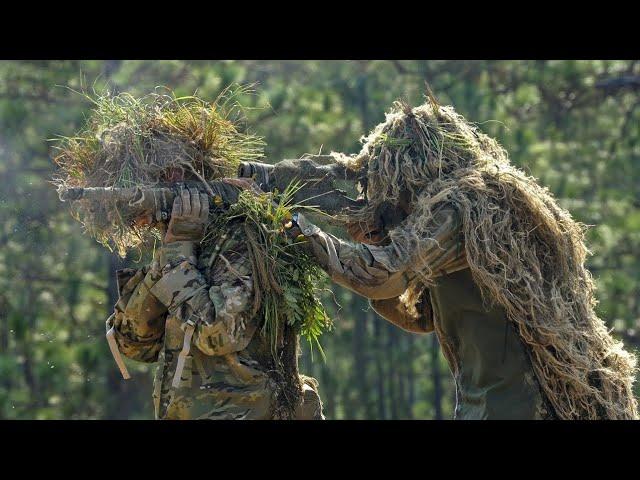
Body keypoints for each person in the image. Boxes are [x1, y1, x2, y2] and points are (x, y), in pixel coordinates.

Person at [284, 99, 638, 420]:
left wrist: (294, 228)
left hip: (525, 405)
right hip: (490, 405)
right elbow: (423, 318)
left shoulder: (464, 206)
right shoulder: (464, 217)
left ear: (411, 171)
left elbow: (380, 275)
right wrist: (374, 245)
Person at [106, 185, 324, 420]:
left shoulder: (242, 238)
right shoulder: (184, 246)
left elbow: (218, 335)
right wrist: (172, 253)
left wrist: (178, 255)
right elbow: (133, 345)